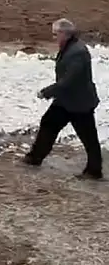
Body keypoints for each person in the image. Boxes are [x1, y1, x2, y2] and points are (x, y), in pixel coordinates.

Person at [23, 18, 103, 180]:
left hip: (79, 103)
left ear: (64, 34)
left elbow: (69, 80)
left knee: (89, 138)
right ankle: (34, 158)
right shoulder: (69, 47)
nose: (53, 38)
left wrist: (47, 92)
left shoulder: (78, 52)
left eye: (55, 34)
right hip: (66, 100)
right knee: (48, 124)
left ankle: (94, 171)